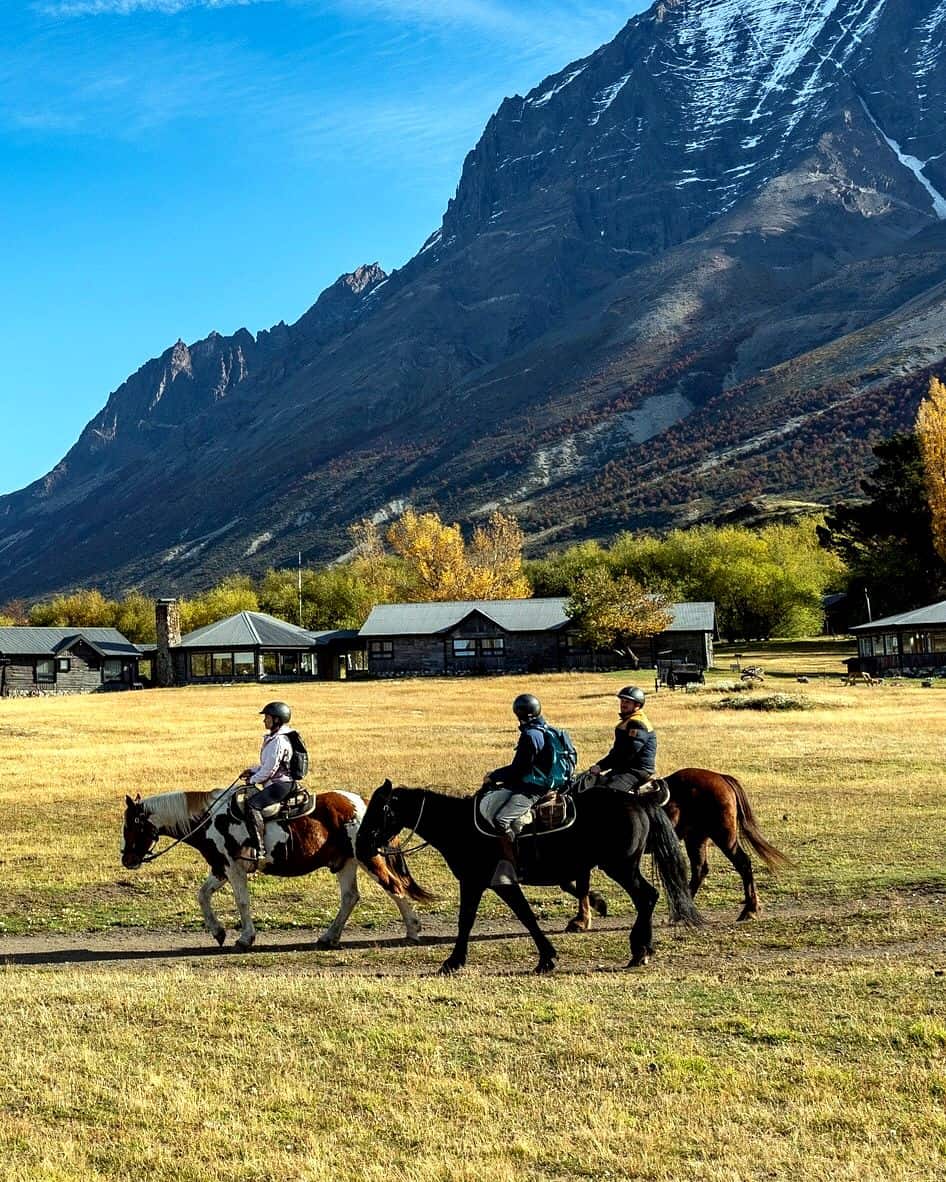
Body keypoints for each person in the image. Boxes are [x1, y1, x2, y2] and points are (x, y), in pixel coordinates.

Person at [482, 693, 554, 886]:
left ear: (518, 714)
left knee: (500, 820)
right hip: (545, 781)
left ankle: (516, 866)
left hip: (533, 788)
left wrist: (494, 776)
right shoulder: (545, 728)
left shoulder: (530, 736)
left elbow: (519, 769)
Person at [240, 701, 296, 864]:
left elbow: (269, 771)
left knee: (251, 805)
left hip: (280, 785)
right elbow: (268, 766)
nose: (264, 720)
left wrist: (252, 780)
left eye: (267, 717)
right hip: (278, 782)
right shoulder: (275, 738)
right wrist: (251, 770)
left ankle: (260, 849)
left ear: (277, 720)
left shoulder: (279, 741)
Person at [588, 686, 656, 792]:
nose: (623, 704)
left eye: (627, 702)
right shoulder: (628, 720)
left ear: (637, 705)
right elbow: (617, 752)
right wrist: (600, 765)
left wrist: (601, 767)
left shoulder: (637, 723)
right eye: (622, 701)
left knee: (608, 794)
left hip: (637, 770)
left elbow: (627, 753)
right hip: (625, 768)